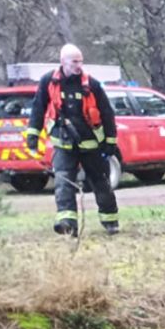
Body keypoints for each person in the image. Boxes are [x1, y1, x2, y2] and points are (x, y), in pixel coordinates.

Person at [26, 43, 120, 237]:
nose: (79, 65)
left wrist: (110, 141)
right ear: (63, 62)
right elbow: (38, 109)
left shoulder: (91, 85)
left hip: (91, 143)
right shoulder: (48, 82)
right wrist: (33, 136)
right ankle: (68, 224)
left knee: (100, 182)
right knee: (63, 182)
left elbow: (107, 113)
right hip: (63, 143)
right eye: (74, 61)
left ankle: (110, 221)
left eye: (81, 61)